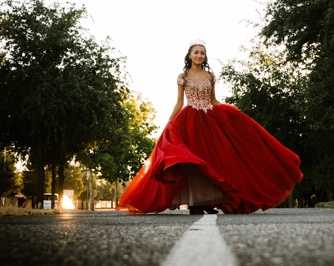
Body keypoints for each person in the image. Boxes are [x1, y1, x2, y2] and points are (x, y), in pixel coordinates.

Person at [116, 39, 302, 215]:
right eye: (196, 52)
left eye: (202, 53)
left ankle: (207, 201)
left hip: (209, 118)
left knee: (211, 160)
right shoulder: (183, 76)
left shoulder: (210, 76)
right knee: (191, 160)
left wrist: (231, 112)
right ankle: (194, 204)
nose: (199, 55)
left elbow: (213, 100)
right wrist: (169, 122)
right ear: (189, 55)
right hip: (188, 120)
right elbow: (179, 102)